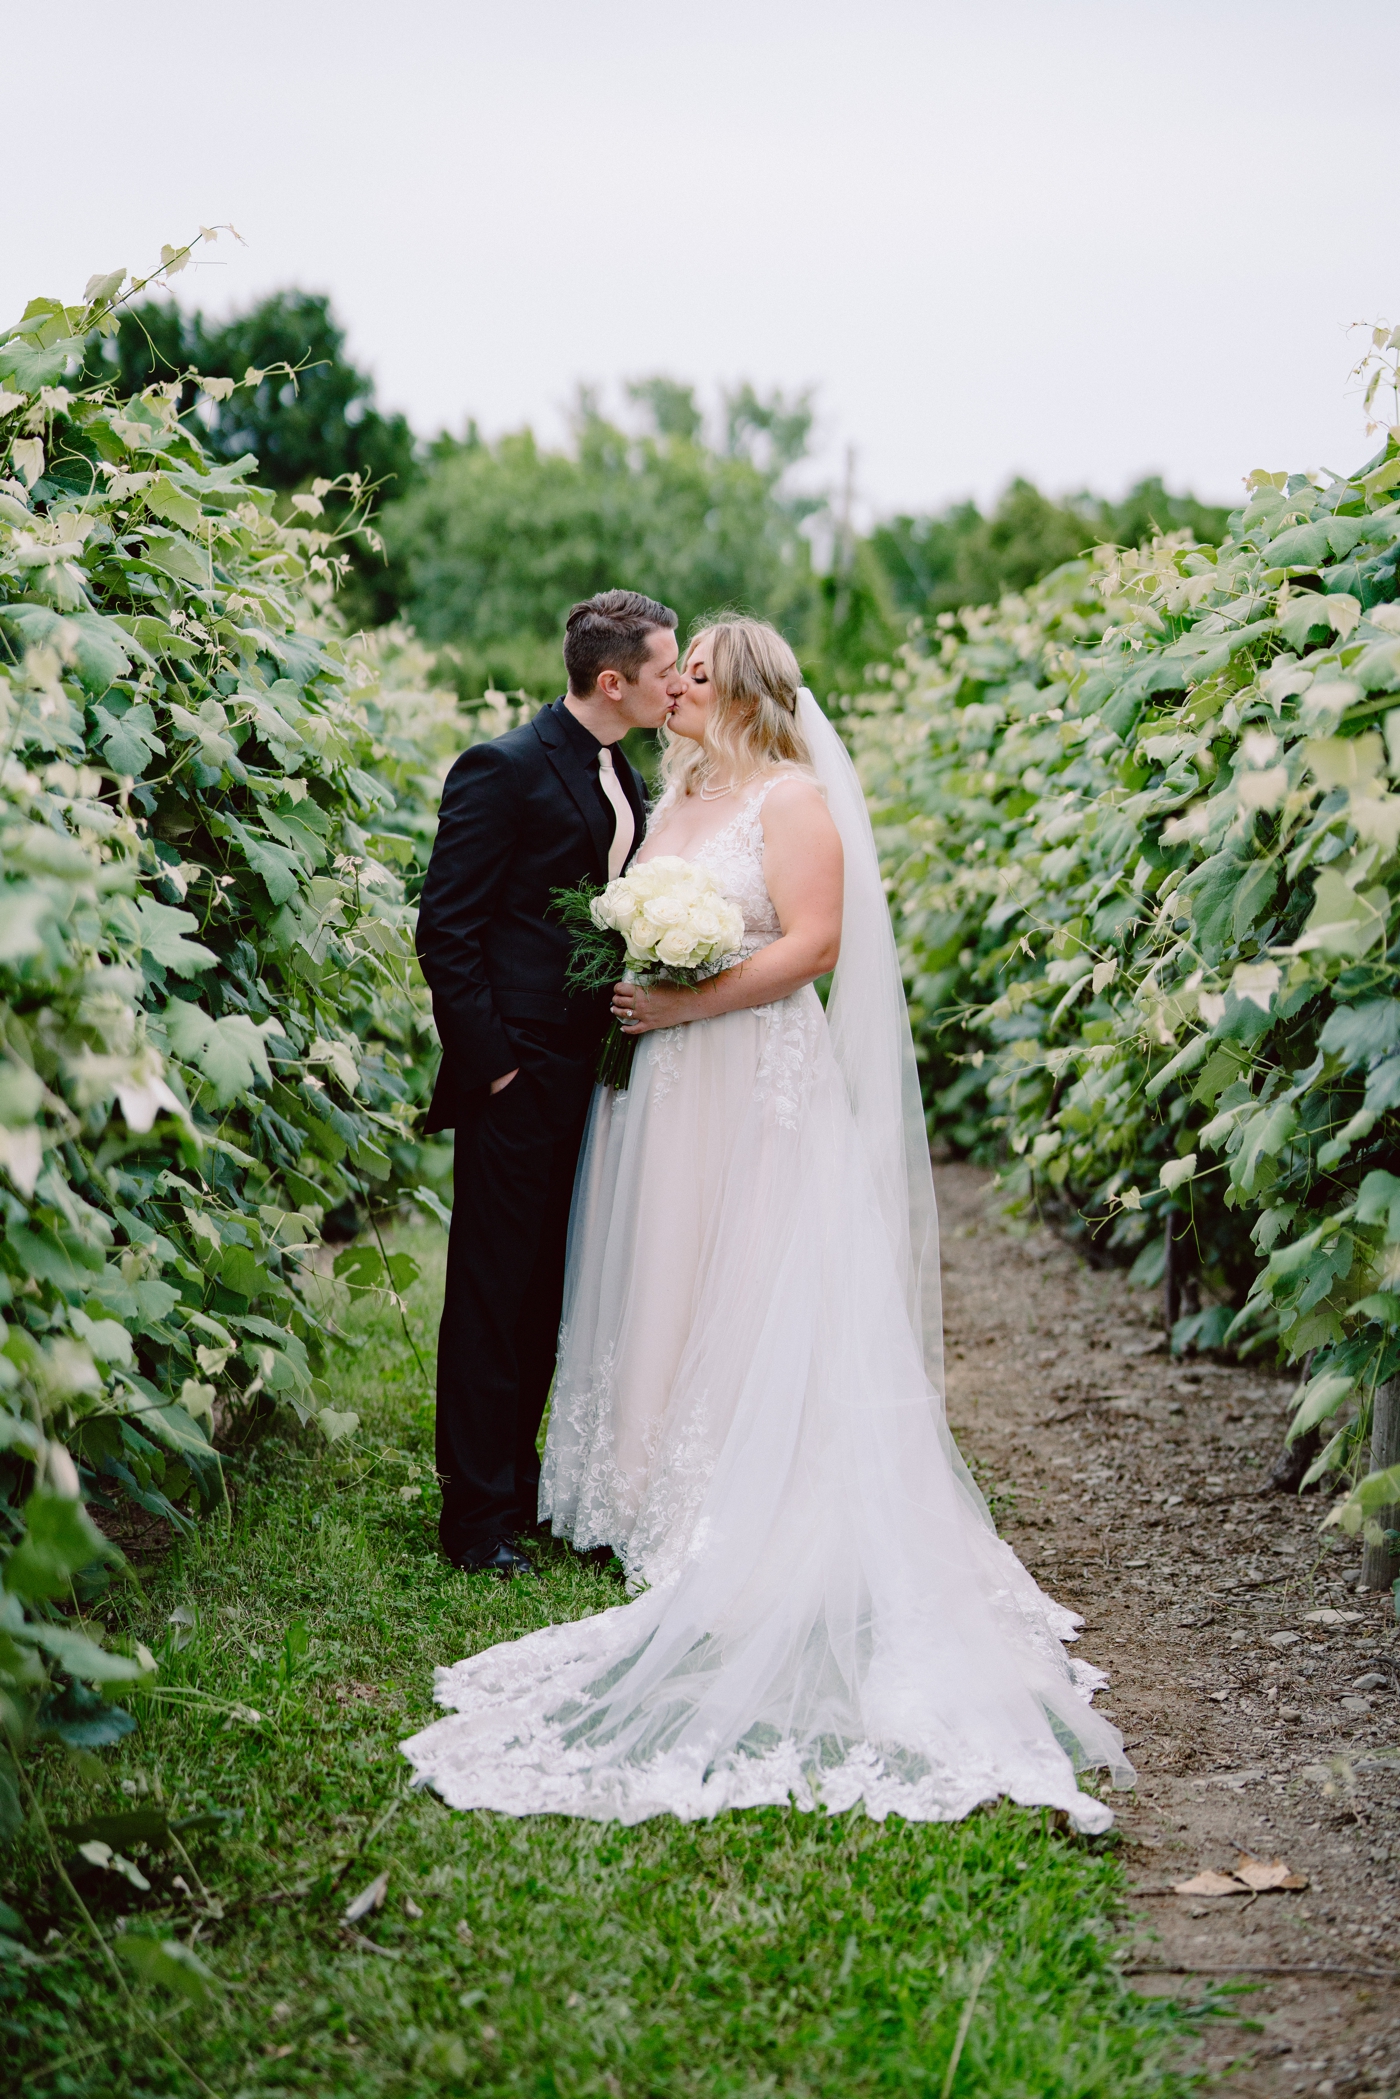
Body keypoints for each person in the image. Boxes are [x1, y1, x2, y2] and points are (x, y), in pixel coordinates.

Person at [404, 618, 1130, 1828]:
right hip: (647, 1088)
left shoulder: (791, 801)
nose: (677, 687)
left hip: (743, 1069)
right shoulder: (663, 791)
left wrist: (687, 1001)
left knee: (746, 1265)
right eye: (667, 671)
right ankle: (606, 1482)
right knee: (648, 1268)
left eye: (693, 675)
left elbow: (813, 943)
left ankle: (716, 1495)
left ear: (735, 691)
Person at [415, 589, 682, 1576]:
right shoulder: (504, 767)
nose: (677, 680)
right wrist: (496, 1067)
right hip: (518, 1071)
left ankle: (521, 1486)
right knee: (494, 1290)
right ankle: (474, 1517)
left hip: (596, 1072)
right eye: (664, 669)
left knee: (552, 1287)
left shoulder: (622, 769)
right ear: (611, 681)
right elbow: (446, 928)